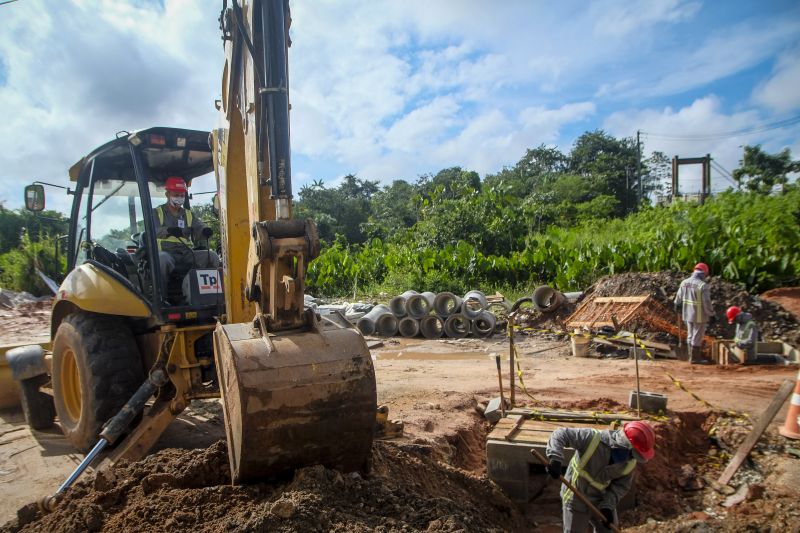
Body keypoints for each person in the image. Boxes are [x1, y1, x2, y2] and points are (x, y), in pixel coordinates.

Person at [545, 421, 655, 533]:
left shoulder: (630, 464)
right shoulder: (592, 438)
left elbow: (620, 487)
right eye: (632, 454)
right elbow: (560, 434)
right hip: (575, 495)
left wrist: (608, 505)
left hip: (600, 499)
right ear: (624, 444)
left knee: (609, 529)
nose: (630, 458)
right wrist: (555, 458)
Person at [153, 176, 219, 299]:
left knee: (212, 257)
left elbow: (198, 225)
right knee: (162, 260)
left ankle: (210, 296)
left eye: (182, 195)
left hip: (186, 253)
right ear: (167, 194)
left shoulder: (188, 214)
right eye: (176, 195)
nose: (179, 198)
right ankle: (161, 296)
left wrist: (205, 230)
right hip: (166, 252)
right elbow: (152, 230)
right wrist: (168, 230)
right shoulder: (157, 213)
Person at [674, 263, 713, 364]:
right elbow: (706, 303)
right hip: (699, 315)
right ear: (704, 273)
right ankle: (695, 358)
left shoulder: (684, 282)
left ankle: (690, 356)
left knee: (690, 335)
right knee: (697, 336)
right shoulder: (702, 286)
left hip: (687, 314)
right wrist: (711, 314)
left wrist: (676, 304)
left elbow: (678, 298)